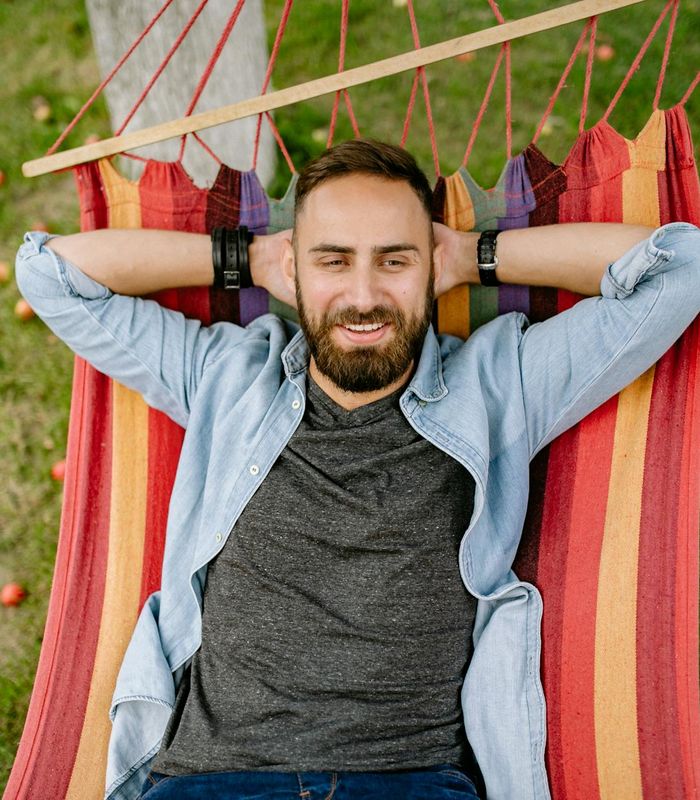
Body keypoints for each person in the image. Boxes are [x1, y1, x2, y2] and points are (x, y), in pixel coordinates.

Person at [15, 139, 699, 800]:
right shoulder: (224, 378)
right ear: (294, 271)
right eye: (333, 262)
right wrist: (249, 259)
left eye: (394, 261)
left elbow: (680, 268)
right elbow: (50, 274)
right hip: (214, 780)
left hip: (408, 781)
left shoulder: (499, 387)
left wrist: (471, 256)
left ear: (431, 265)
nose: (365, 295)